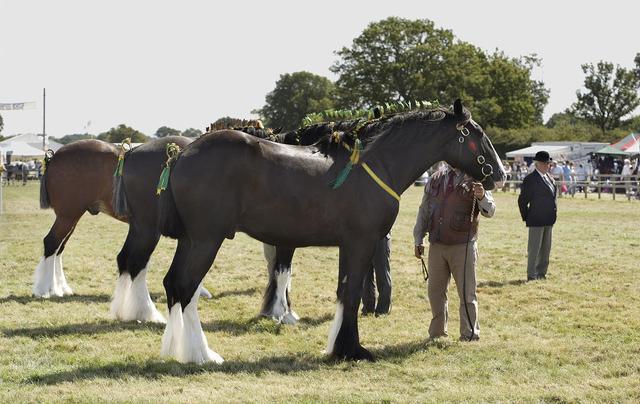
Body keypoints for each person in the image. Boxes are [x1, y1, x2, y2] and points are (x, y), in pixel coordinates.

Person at [413, 163, 496, 341]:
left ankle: (470, 334)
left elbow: (490, 211)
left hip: (463, 245)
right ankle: (437, 333)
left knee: (467, 293)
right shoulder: (435, 178)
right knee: (435, 292)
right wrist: (418, 238)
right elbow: (425, 210)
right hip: (437, 244)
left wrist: (481, 196)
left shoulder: (476, 178)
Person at [518, 151, 557, 281]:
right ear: (538, 164)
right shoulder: (531, 179)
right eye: (545, 163)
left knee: (546, 249)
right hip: (536, 219)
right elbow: (522, 200)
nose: (548, 165)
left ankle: (541, 273)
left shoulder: (549, 178)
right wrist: (527, 217)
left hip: (548, 219)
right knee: (534, 249)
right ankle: (532, 274)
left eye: (549, 163)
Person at [361, 233, 392, 316]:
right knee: (365, 275)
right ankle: (368, 308)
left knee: (382, 274)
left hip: (380, 237)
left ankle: (383, 309)